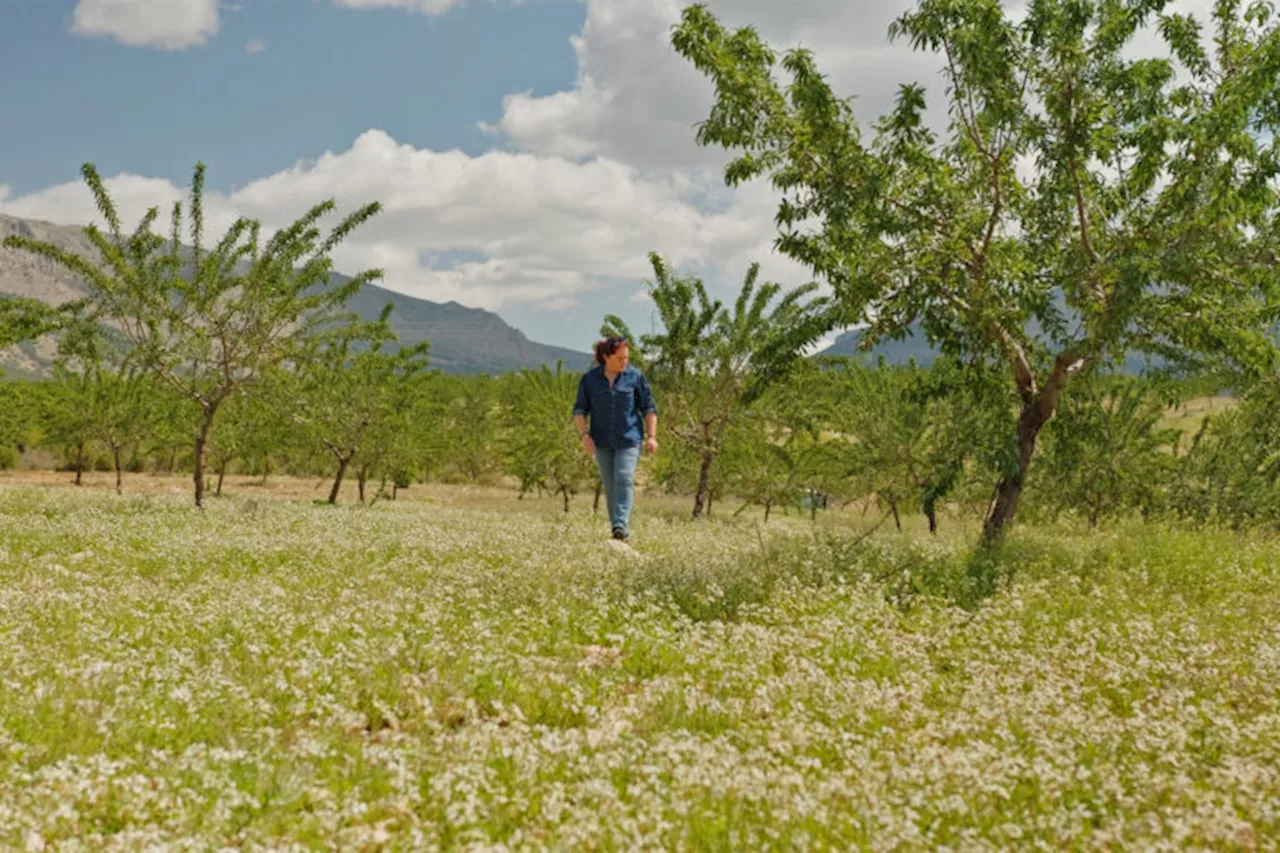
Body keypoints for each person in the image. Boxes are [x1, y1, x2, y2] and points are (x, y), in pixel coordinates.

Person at [572, 337, 658, 543]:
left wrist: (652, 436)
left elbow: (649, 408)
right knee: (610, 485)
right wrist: (584, 435)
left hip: (629, 438)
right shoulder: (590, 380)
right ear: (606, 357)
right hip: (601, 441)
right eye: (619, 358)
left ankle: (621, 524)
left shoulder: (635, 377)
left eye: (626, 358)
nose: (624, 362)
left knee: (623, 477)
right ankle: (618, 531)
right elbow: (580, 410)